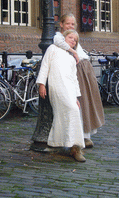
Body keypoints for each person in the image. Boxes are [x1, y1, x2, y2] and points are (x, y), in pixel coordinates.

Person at [54, 13, 105, 148]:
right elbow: (57, 42)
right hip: (75, 71)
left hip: (85, 69)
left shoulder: (74, 36)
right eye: (67, 24)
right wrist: (74, 52)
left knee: (88, 102)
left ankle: (86, 134)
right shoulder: (60, 37)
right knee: (79, 102)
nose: (70, 26)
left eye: (73, 24)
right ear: (61, 24)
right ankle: (80, 136)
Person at [36, 30, 86, 162]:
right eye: (70, 37)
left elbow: (74, 78)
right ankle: (74, 147)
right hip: (56, 87)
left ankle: (73, 147)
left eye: (75, 40)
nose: (73, 41)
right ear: (64, 38)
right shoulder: (52, 48)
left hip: (69, 89)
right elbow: (45, 66)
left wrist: (76, 96)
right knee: (70, 111)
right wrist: (41, 84)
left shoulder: (71, 57)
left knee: (73, 110)